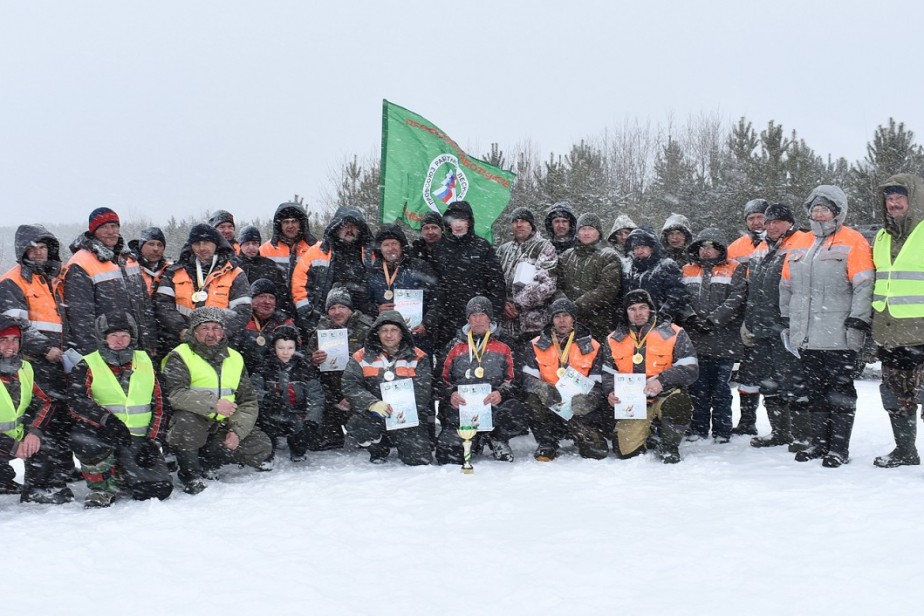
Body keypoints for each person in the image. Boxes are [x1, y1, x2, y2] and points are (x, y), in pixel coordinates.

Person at [781, 185, 874, 467]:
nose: (819, 214)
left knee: (841, 391)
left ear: (837, 212)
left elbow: (864, 285)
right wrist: (787, 318)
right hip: (807, 335)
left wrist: (858, 320)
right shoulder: (799, 243)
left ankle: (839, 448)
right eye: (815, 209)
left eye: (825, 209)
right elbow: (787, 286)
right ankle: (818, 443)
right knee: (815, 391)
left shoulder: (853, 240)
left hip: (839, 334)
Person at [162, 307, 272, 494]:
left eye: (217, 328)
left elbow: (248, 401)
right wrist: (213, 404)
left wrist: (237, 431)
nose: (211, 334)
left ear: (223, 331)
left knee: (261, 446)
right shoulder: (180, 355)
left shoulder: (235, 357)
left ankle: (206, 459)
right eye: (205, 328)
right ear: (194, 331)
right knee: (186, 422)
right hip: (196, 420)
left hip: (223, 424)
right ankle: (190, 474)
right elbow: (176, 394)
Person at [68, 314, 172, 508]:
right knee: (82, 438)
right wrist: (107, 421)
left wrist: (154, 439)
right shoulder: (87, 364)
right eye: (113, 335)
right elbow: (77, 402)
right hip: (104, 434)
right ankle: (101, 488)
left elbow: (161, 403)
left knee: (156, 491)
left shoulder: (146, 361)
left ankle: (123, 472)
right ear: (102, 338)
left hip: (139, 439)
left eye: (124, 335)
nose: (119, 341)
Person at [0, 224, 76, 485]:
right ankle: (41, 476)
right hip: (35, 362)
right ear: (23, 251)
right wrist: (45, 349)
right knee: (42, 418)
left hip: (60, 360)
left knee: (61, 415)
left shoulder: (52, 278)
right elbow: (16, 326)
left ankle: (63, 468)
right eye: (33, 248)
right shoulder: (13, 281)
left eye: (43, 247)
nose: (39, 253)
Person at [740, 203, 810, 449]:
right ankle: (779, 431)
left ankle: (803, 435)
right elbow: (751, 290)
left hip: (785, 326)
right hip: (761, 326)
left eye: (778, 221)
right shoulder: (760, 249)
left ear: (790, 222)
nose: (772, 226)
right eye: (769, 222)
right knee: (768, 382)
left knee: (794, 381)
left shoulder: (804, 241)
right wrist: (748, 322)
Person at [602, 290, 698, 463]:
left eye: (643, 307)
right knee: (625, 452)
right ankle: (649, 433)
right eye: (632, 309)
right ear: (625, 312)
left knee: (679, 404)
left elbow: (690, 368)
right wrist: (610, 392)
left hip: (665, 394)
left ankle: (669, 446)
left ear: (651, 309)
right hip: (633, 404)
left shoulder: (674, 332)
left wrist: (662, 381)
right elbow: (608, 374)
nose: (638, 313)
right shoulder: (613, 339)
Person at [870, 174, 924, 468]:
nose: (893, 203)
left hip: (921, 333)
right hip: (890, 333)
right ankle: (905, 450)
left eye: (899, 198)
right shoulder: (881, 236)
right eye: (889, 199)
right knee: (895, 398)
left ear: (913, 199)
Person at [435, 296, 526, 464]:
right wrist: (451, 394)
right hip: (462, 409)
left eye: (482, 315)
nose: (477, 320)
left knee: (514, 409)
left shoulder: (506, 344)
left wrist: (501, 392)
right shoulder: (453, 345)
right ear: (467, 318)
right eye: (473, 315)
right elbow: (439, 379)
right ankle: (472, 440)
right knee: (447, 456)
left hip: (493, 405)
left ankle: (498, 438)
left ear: (490, 317)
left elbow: (516, 379)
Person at [680, 228, 747, 443]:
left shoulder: (734, 268)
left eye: (711, 247)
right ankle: (697, 428)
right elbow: (680, 298)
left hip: (723, 340)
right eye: (702, 247)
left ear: (720, 249)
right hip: (695, 340)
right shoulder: (687, 270)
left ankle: (722, 430)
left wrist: (713, 319)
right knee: (697, 388)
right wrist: (690, 317)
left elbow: (737, 298)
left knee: (721, 389)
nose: (706, 251)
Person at [340, 310, 433, 465]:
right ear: (377, 333)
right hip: (375, 416)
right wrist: (372, 403)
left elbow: (423, 392)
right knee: (357, 425)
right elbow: (350, 385)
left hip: (406, 417)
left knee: (418, 461)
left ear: (402, 333)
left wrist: (400, 409)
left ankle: (404, 443)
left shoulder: (419, 357)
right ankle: (379, 448)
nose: (388, 335)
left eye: (393, 330)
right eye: (384, 330)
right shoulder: (361, 356)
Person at [522, 298, 607, 460]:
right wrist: (543, 388)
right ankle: (547, 441)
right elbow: (527, 380)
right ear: (551, 320)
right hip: (550, 403)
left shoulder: (593, 345)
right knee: (531, 399)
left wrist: (589, 400)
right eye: (557, 316)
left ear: (573, 318)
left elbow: (599, 383)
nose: (562, 321)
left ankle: (580, 435)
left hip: (578, 408)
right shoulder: (535, 344)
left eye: (566, 316)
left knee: (597, 453)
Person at [64, 207, 156, 355]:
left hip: (137, 345)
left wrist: (150, 339)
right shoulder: (81, 262)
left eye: (114, 226)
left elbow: (145, 304)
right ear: (94, 231)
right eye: (104, 227)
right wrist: (93, 352)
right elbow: (80, 316)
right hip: (106, 347)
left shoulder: (129, 259)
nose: (110, 231)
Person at [0, 316, 70, 503]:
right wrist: (12, 446)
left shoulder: (25, 368)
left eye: (15, 340)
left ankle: (35, 489)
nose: (10, 345)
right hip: (5, 443)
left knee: (44, 443)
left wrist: (34, 432)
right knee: (3, 473)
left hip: (15, 436)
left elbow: (47, 402)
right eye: (3, 339)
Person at [155, 223, 252, 344]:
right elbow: (163, 305)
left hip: (221, 345)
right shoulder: (174, 272)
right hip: (181, 342)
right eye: (197, 243)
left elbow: (242, 311)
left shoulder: (234, 273)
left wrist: (218, 334)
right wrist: (182, 330)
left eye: (206, 242)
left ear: (216, 244)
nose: (201, 248)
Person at [430, 200, 506, 352]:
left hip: (478, 318)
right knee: (447, 360)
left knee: (481, 360)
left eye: (462, 220)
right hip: (446, 319)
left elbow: (496, 285)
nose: (458, 225)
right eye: (454, 220)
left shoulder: (482, 247)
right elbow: (433, 286)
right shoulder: (439, 249)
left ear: (469, 222)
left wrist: (494, 316)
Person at [305, 288, 375, 450]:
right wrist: (313, 359)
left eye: (342, 307)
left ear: (350, 309)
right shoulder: (320, 331)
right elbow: (307, 364)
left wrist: (353, 395)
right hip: (332, 389)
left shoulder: (366, 328)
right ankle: (332, 432)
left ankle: (365, 429)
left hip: (362, 387)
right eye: (332, 308)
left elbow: (377, 365)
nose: (337, 312)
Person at [292, 205, 374, 333]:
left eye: (353, 226)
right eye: (345, 225)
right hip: (324, 321)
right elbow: (299, 284)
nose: (349, 229)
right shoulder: (316, 251)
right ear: (336, 227)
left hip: (364, 322)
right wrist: (309, 315)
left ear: (360, 229)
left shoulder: (371, 253)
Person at [365, 223, 442, 355]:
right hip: (384, 340)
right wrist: (376, 310)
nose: (390, 249)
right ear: (380, 248)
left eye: (394, 244)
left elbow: (437, 299)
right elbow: (362, 302)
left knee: (417, 373)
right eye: (386, 245)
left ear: (401, 246)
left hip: (417, 338)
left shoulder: (419, 267)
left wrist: (426, 324)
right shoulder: (371, 272)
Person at [252, 325, 323, 466]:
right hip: (270, 414)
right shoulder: (264, 367)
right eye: (281, 348)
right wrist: (267, 398)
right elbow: (253, 390)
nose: (285, 352)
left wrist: (312, 420)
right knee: (265, 429)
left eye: (290, 348)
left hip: (297, 414)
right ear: (274, 348)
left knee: (303, 435)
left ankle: (297, 449)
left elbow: (316, 397)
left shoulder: (305, 368)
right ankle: (266, 453)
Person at [495, 206, 558, 349]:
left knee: (532, 369)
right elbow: (493, 281)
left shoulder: (544, 247)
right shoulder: (503, 250)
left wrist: (517, 304)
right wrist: (501, 303)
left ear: (531, 225)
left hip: (532, 325)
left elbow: (547, 284)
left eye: (523, 221)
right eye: (515, 221)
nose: (519, 224)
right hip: (504, 326)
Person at [556, 213, 622, 343]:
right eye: (583, 229)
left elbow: (608, 290)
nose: (586, 233)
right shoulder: (565, 256)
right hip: (566, 323)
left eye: (590, 229)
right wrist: (564, 305)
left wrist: (577, 306)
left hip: (598, 323)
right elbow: (555, 284)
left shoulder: (609, 256)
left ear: (599, 232)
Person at [623, 226, 687, 323]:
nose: (639, 251)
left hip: (662, 324)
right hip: (635, 323)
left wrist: (661, 317)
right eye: (636, 248)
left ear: (652, 248)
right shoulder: (628, 270)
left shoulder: (666, 266)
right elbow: (623, 299)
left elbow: (676, 296)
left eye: (644, 247)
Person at [232, 278, 295, 375]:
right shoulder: (239, 321)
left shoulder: (284, 323)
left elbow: (296, 352)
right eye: (262, 296)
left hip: (274, 378)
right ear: (251, 299)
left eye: (271, 298)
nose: (267, 301)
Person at [235, 225, 292, 316]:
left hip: (266, 314)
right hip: (240, 313)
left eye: (254, 243)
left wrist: (279, 312)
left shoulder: (269, 265)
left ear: (259, 245)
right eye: (247, 244)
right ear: (240, 245)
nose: (251, 247)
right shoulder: (232, 265)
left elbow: (281, 293)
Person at [260, 201, 317, 287]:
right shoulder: (265, 250)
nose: (290, 226)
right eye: (286, 222)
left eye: (294, 221)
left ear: (300, 224)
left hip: (306, 298)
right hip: (274, 299)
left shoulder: (314, 248)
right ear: (280, 225)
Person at [128, 227, 171, 297]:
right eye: (151, 244)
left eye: (160, 245)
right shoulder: (128, 267)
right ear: (141, 246)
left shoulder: (169, 271)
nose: (156, 249)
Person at [727, 199, 769, 270]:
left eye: (760, 217)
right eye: (751, 219)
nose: (756, 222)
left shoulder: (781, 242)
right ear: (746, 221)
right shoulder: (734, 248)